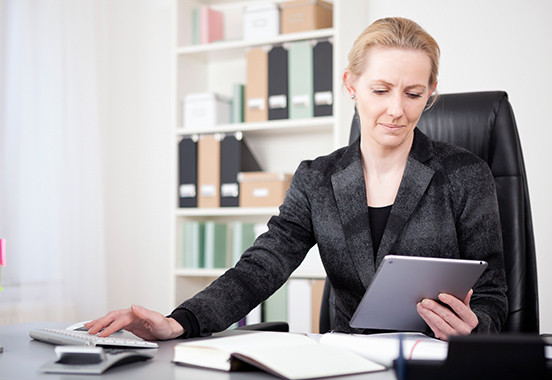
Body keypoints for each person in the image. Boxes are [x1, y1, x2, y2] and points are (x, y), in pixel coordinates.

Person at [86, 17, 508, 342]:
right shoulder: (317, 179)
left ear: (430, 92)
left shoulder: (465, 175)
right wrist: (180, 322)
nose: (396, 110)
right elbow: (262, 266)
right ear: (351, 85)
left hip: (437, 362)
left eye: (413, 94)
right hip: (349, 363)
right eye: (381, 90)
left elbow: (492, 295)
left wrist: (475, 328)